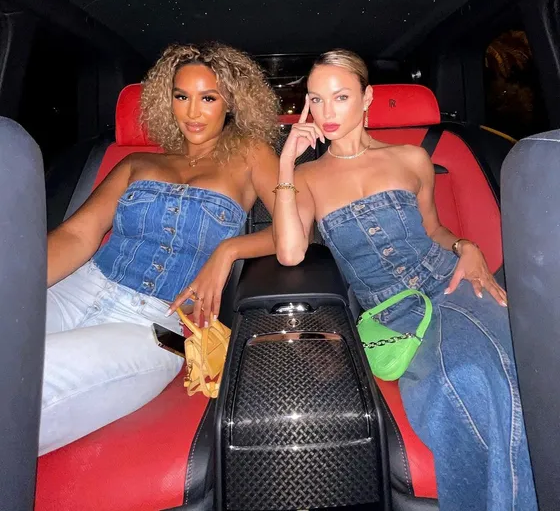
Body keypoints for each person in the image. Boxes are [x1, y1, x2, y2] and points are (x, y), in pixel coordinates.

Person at [272, 49, 537, 511]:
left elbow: (433, 229)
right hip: (392, 313)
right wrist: (286, 164)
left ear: (366, 98)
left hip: (451, 283)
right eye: (315, 99)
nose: (326, 111)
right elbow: (290, 252)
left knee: (507, 369)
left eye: (340, 97)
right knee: (457, 381)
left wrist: (466, 247)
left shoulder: (412, 158)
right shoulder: (308, 177)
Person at [42, 42, 280, 454]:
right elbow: (79, 235)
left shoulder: (251, 156)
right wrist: (16, 283)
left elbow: (297, 231)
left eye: (208, 98)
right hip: (77, 289)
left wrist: (228, 251)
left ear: (231, 102)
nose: (192, 112)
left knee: (32, 375)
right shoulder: (137, 163)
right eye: (181, 96)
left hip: (154, 323)